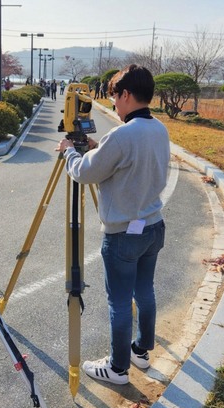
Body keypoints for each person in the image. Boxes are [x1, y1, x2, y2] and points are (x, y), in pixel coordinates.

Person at [56, 65, 169, 386]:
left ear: (127, 95)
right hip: (153, 227)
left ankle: (118, 368)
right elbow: (131, 160)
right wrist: (97, 147)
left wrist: (69, 154)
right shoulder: (158, 128)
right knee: (144, 291)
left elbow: (84, 173)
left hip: (124, 235)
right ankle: (141, 351)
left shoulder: (122, 135)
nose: (114, 105)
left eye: (115, 97)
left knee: (119, 301)